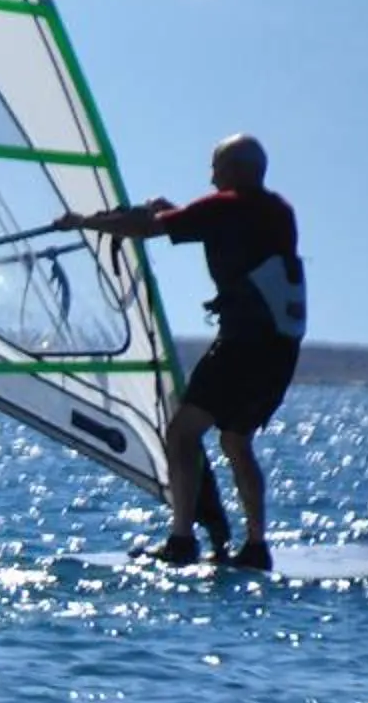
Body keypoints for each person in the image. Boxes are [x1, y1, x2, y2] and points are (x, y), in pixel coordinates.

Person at [56, 134, 305, 570]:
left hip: (241, 347)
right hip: (280, 349)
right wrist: (170, 210)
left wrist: (82, 222)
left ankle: (181, 539)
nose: (211, 176)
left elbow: (150, 229)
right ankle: (256, 545)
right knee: (235, 440)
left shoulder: (225, 207)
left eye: (217, 167)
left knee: (182, 434)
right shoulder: (277, 211)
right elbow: (211, 225)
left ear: (237, 171)